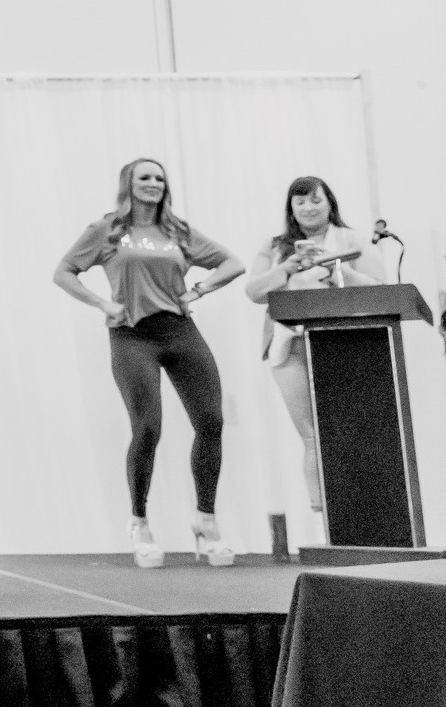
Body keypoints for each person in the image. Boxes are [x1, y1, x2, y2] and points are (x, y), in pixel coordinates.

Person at [54, 157, 244, 568]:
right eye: (145, 177)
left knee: (211, 421)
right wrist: (102, 303)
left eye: (159, 178)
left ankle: (206, 520)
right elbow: (64, 272)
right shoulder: (107, 230)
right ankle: (139, 522)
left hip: (179, 331)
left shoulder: (177, 231)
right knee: (147, 428)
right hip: (132, 336)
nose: (153, 183)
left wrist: (199, 290)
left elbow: (234, 263)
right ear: (128, 183)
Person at [242, 176, 385, 518]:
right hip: (290, 346)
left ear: (330, 204)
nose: (308, 208)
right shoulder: (276, 246)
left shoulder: (352, 240)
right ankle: (325, 518)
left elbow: (380, 288)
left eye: (316, 200)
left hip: (345, 343)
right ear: (290, 208)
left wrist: (337, 269)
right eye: (300, 201)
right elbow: (254, 291)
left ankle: (362, 512)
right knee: (312, 436)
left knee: (351, 429)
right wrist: (286, 267)